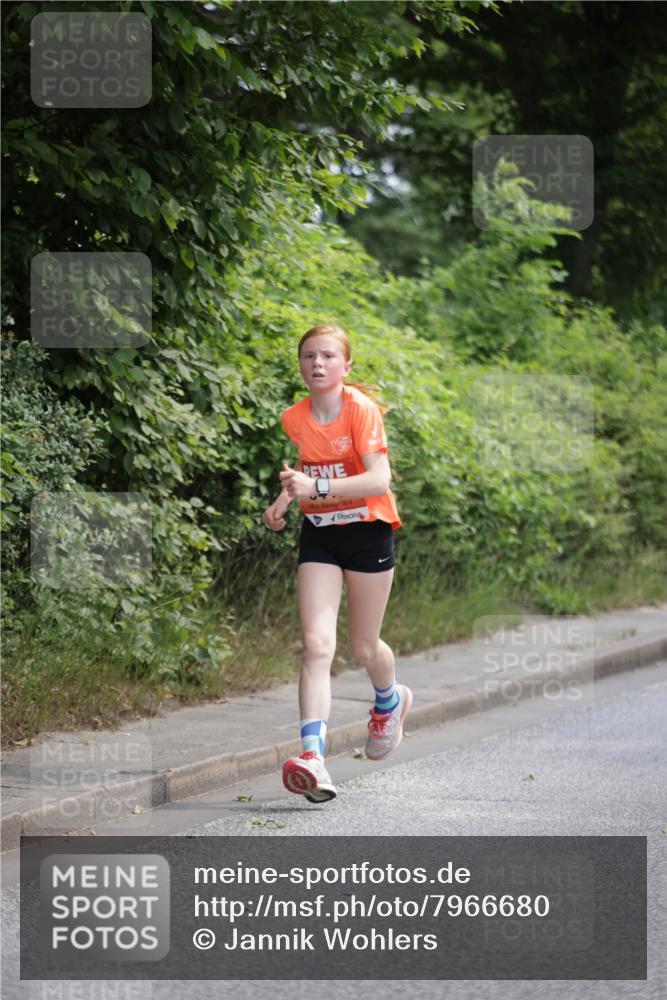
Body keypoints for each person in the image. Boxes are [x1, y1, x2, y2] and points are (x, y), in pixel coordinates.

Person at [262, 323, 412, 803]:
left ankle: (389, 702)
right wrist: (282, 503)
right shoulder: (294, 416)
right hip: (321, 536)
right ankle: (312, 757)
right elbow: (309, 467)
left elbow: (377, 479)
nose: (317, 363)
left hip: (368, 532)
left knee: (365, 647)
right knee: (315, 645)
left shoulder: (360, 410)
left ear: (345, 366)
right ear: (301, 365)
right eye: (309, 356)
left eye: (328, 356)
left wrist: (318, 490)